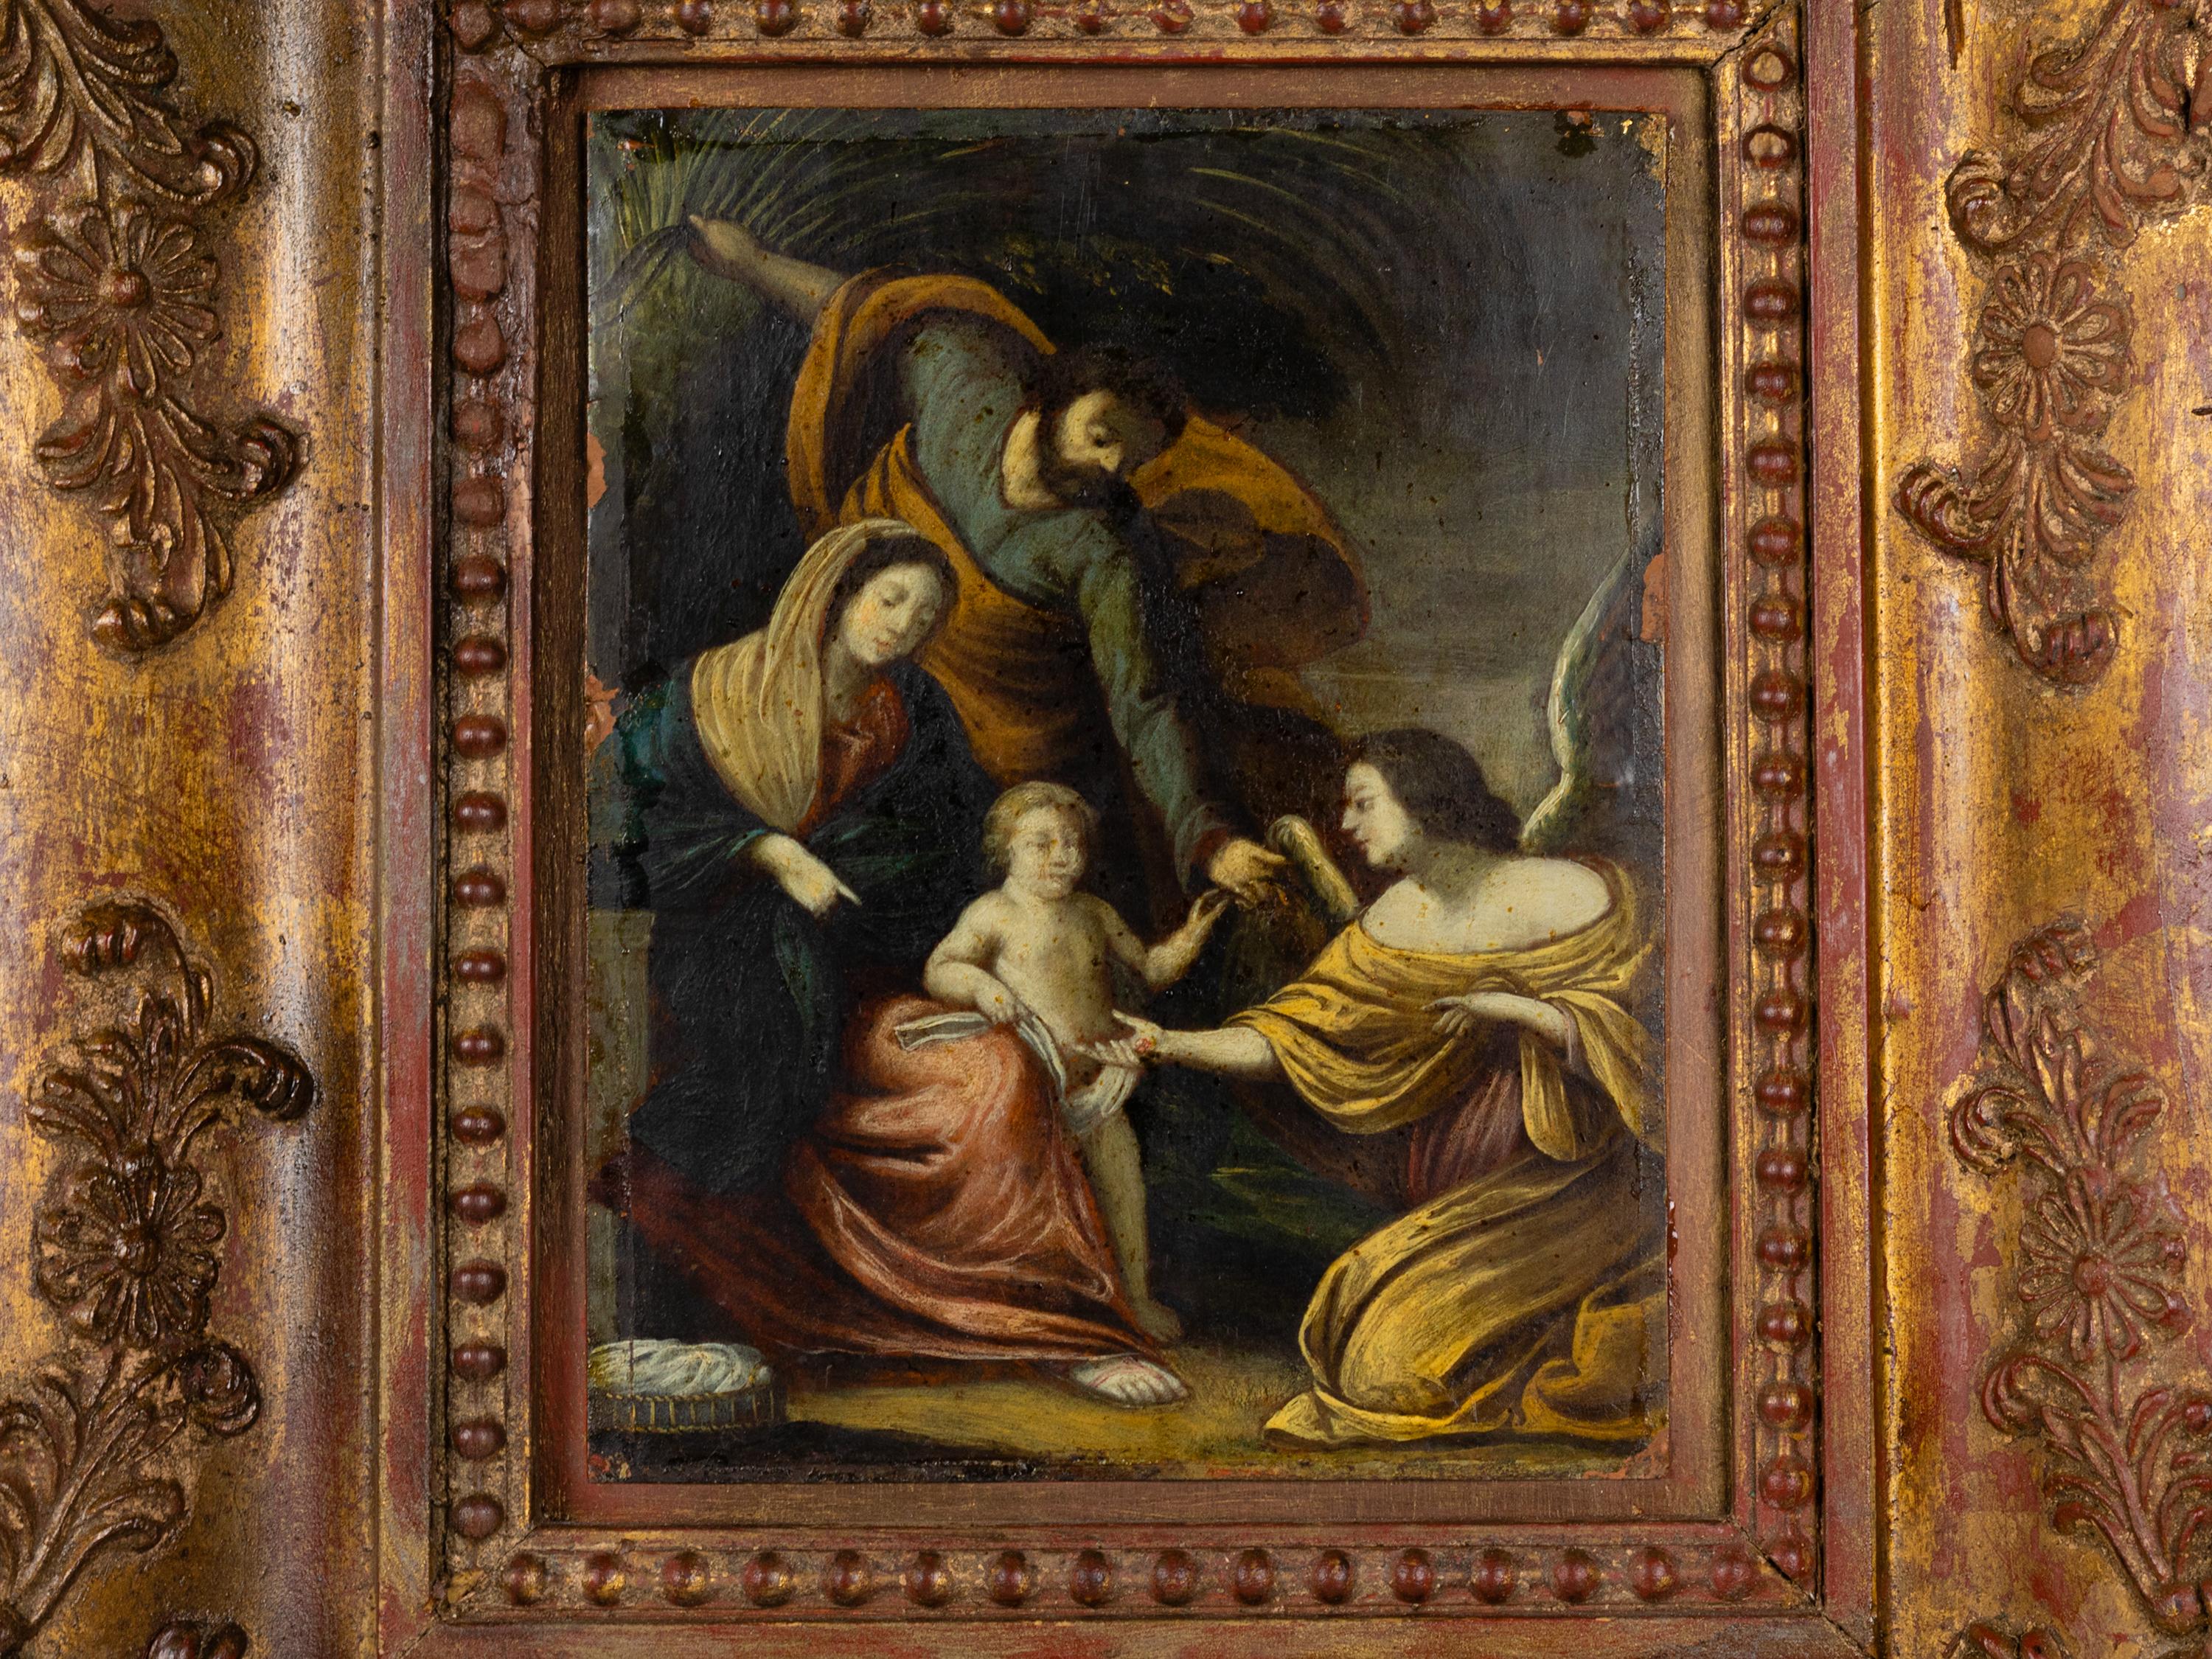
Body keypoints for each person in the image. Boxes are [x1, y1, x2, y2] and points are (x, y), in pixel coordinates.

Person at [685, 216, 1369, 919]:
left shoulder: (1102, 553)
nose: (1111, 466)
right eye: (1101, 436)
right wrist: (753, 262)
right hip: (859, 680)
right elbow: (862, 311)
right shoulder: (959, 384)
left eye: (1132, 459)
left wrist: (1210, 841)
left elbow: (1145, 705)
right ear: (1049, 397)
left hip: (996, 757)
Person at [1091, 729, 1664, 1451]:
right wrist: (1168, 1044)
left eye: (1363, 803)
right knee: (1360, 1346)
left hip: (1585, 1192)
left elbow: (1657, 1050)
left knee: (1394, 1370)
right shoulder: (1393, 920)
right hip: (1476, 1210)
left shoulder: (1580, 895)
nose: (1347, 824)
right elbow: (1295, 1033)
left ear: (1424, 801)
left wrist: (1528, 1013)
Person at [589, 519, 996, 1309]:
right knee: (749, 1046)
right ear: (838, 593)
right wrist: (766, 852)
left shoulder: (914, 710)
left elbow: (949, 840)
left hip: (864, 947)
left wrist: (863, 874)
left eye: (924, 618)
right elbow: (618, 824)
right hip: (712, 936)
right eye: (891, 599)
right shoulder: (715, 692)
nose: (903, 626)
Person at [921, 782, 1229, 1343]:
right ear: (1006, 850)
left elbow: (1151, 968)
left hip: (1102, 1085)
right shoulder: (993, 913)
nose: (1063, 856)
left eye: (1073, 843)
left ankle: (1136, 1298)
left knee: (1123, 1186)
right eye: (1042, 844)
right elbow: (940, 968)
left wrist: (1190, 936)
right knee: (1035, 1202)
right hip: (1034, 1092)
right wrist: (983, 987)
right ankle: (1032, 1309)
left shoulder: (1094, 912)